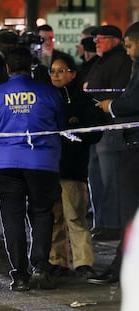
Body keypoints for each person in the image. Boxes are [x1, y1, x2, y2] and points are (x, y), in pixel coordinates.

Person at [0, 47, 66, 291]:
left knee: (11, 218)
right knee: (41, 212)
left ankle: (19, 274)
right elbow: (59, 124)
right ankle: (40, 266)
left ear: (7, 68)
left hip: (4, 162)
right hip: (42, 162)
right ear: (31, 68)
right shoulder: (48, 92)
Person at [48, 54, 105, 279]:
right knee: (54, 220)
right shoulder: (47, 98)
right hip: (50, 169)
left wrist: (78, 133)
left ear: (72, 73)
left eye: (61, 70)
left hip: (73, 170)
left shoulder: (84, 100)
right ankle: (57, 261)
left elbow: (96, 131)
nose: (56, 75)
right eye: (52, 71)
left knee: (75, 218)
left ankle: (83, 263)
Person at [90, 21, 139, 285]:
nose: (129, 51)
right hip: (131, 144)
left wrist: (112, 106)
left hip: (133, 146)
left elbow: (134, 100)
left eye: (130, 46)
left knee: (129, 212)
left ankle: (123, 266)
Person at [83, 25, 132, 242]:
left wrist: (95, 97)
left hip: (110, 126)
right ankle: (101, 222)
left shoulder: (121, 61)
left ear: (115, 40)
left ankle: (112, 224)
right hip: (97, 126)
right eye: (95, 40)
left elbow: (119, 92)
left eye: (101, 39)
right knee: (96, 178)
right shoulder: (102, 60)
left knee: (109, 178)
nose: (97, 42)